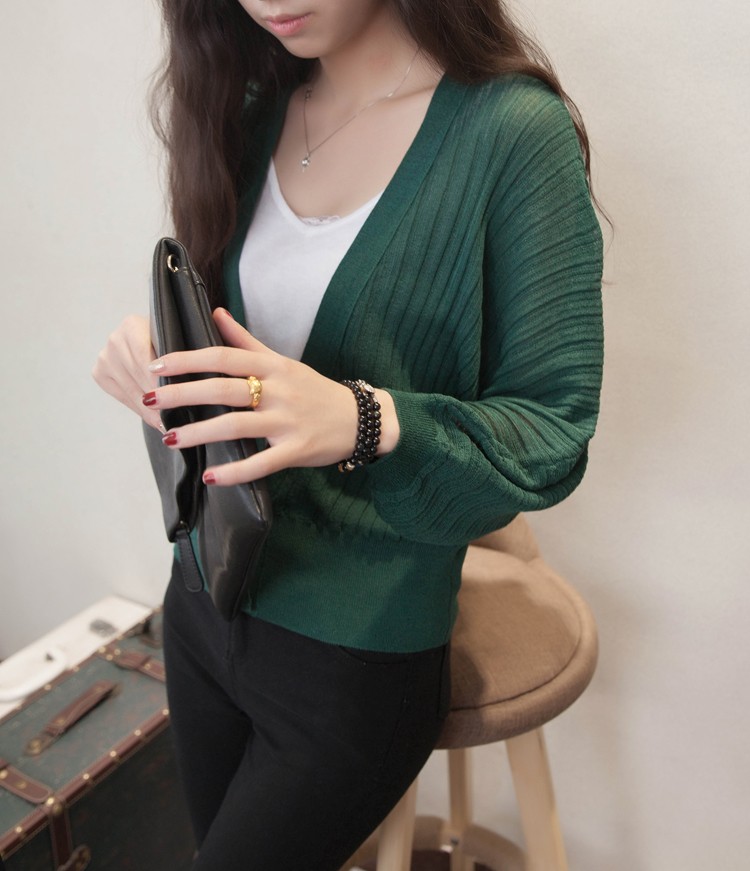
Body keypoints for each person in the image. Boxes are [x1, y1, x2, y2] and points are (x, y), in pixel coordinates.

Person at [93, 1, 604, 868]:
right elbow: (246, 361)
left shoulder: (513, 133)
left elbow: (552, 431)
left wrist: (363, 419)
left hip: (351, 651)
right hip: (202, 595)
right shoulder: (253, 107)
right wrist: (164, 373)